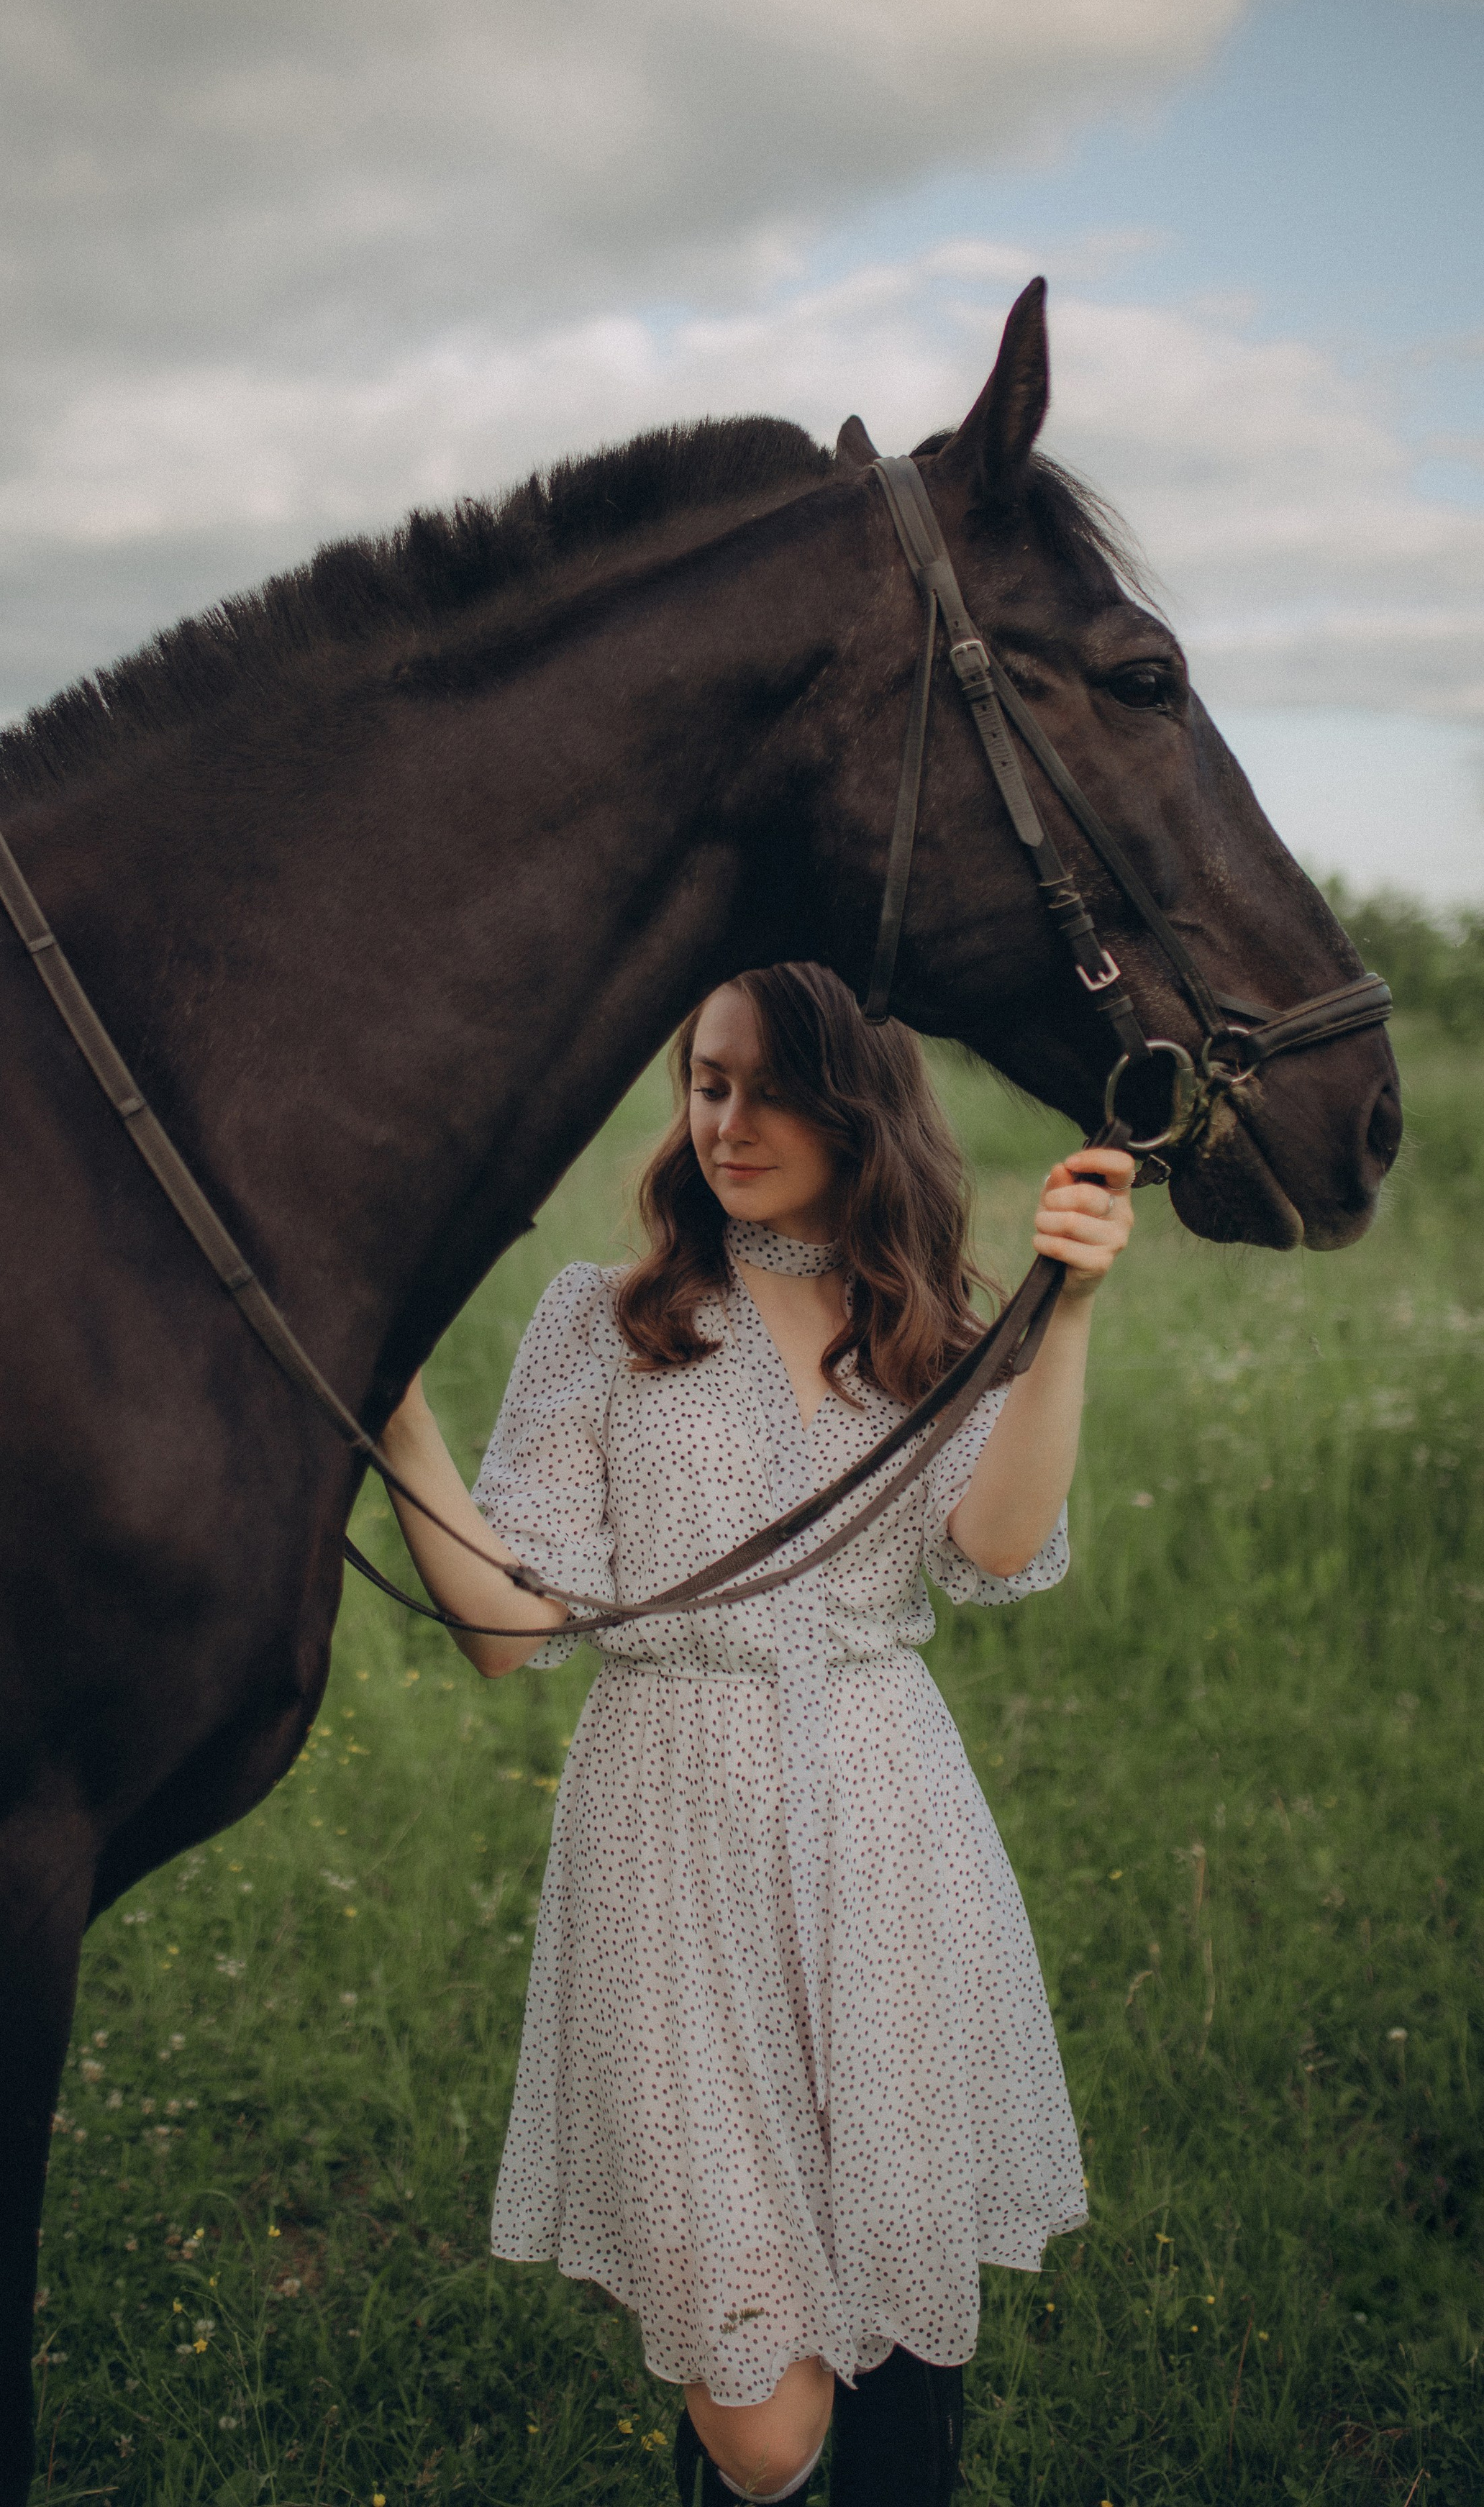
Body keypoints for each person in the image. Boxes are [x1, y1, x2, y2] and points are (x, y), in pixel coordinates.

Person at [377, 964, 1134, 2504]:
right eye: (707, 1083)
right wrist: (393, 1423)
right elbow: (506, 1631)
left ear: (859, 1109)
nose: (725, 1122)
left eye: (769, 1090)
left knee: (894, 2301)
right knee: (762, 2415)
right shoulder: (611, 1319)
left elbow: (994, 1547)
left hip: (888, 1826)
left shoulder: (924, 1328)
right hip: (669, 1849)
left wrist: (1062, 1319)